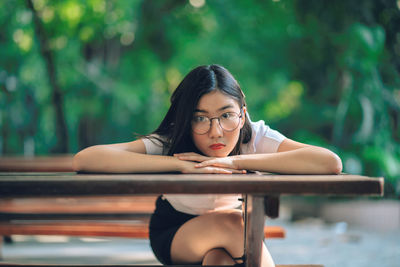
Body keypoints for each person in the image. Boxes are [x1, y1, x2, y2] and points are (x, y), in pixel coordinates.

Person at [73, 64, 342, 266]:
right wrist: (178, 166)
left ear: (242, 114)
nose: (216, 132)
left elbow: (330, 163)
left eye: (226, 115)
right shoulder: (172, 140)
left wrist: (234, 161)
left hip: (228, 239)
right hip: (176, 233)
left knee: (219, 262)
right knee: (233, 224)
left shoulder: (253, 136)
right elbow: (86, 159)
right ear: (186, 119)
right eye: (201, 118)